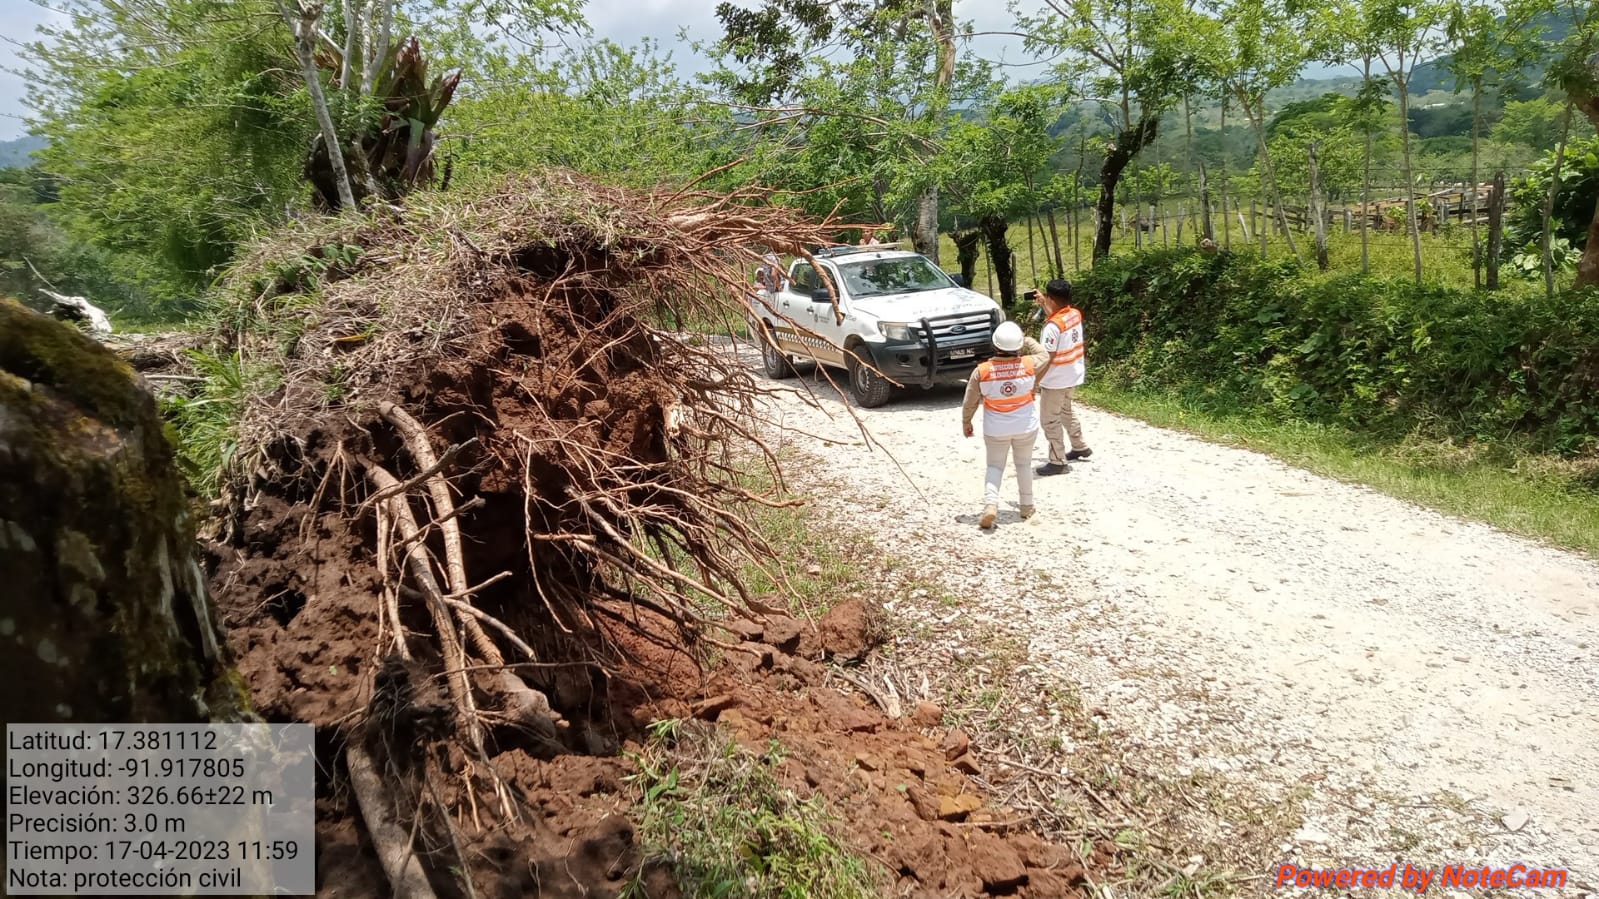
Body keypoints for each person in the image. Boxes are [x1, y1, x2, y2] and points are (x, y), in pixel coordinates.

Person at [961, 321, 1049, 529]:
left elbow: (970, 401)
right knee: (1024, 465)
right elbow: (1045, 355)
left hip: (996, 429)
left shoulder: (982, 371)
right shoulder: (1029, 364)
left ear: (995, 344)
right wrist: (1027, 340)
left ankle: (991, 505)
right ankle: (1027, 506)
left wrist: (967, 422)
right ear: (1017, 346)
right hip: (1026, 426)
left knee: (994, 466)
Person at [1031, 279, 1091, 476]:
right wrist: (1044, 303)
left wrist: (1035, 381)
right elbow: (1058, 319)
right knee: (1066, 410)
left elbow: (1046, 357)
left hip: (1056, 379)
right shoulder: (1074, 314)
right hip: (1072, 373)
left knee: (1049, 420)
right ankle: (1079, 445)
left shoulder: (1051, 327)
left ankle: (1057, 461)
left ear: (1051, 298)